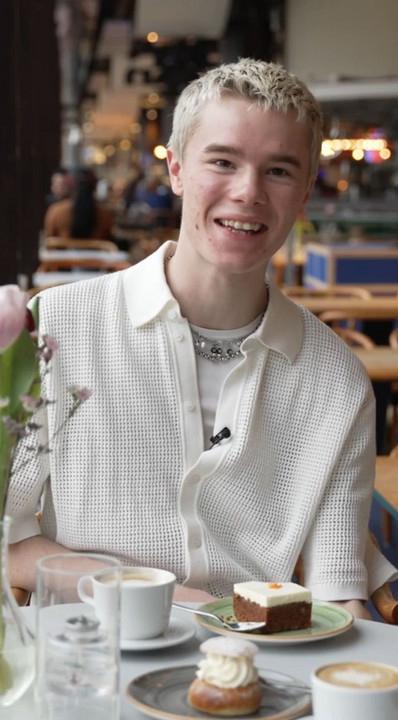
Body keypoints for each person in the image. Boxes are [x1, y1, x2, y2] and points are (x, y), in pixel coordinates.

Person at [8, 59, 397, 613]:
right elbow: (8, 537)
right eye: (223, 160)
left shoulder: (337, 380)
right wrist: (137, 588)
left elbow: (339, 591)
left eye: (279, 171)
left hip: (261, 677)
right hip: (90, 658)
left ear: (307, 190)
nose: (248, 192)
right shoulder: (57, 328)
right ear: (177, 170)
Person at [43, 167, 113, 240]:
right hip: (96, 251)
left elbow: (49, 237)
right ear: (95, 187)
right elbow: (108, 237)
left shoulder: (56, 211)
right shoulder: (106, 215)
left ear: (72, 185)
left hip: (64, 250)